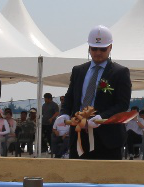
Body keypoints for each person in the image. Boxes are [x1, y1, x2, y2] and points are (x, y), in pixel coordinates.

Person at [56, 25, 132, 160]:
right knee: (77, 172)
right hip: (79, 136)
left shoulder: (120, 72)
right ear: (89, 48)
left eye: (103, 49)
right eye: (94, 48)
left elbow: (122, 104)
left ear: (110, 47)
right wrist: (64, 113)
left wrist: (101, 117)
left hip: (107, 139)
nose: (98, 52)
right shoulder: (78, 70)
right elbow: (70, 97)